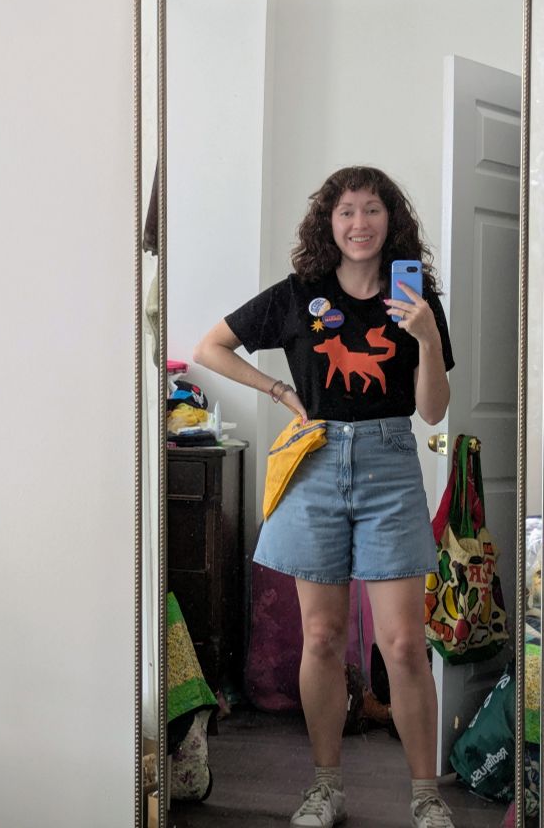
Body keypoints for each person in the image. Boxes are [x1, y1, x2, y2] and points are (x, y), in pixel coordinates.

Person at [193, 166, 455, 828]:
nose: (359, 223)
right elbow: (210, 346)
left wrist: (426, 336)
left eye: (372, 210)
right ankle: (325, 787)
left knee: (403, 644)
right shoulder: (298, 294)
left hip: (390, 464)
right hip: (313, 463)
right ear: (328, 224)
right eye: (346, 211)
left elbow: (431, 411)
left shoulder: (416, 299)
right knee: (321, 636)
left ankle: (426, 799)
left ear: (391, 221)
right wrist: (281, 392)